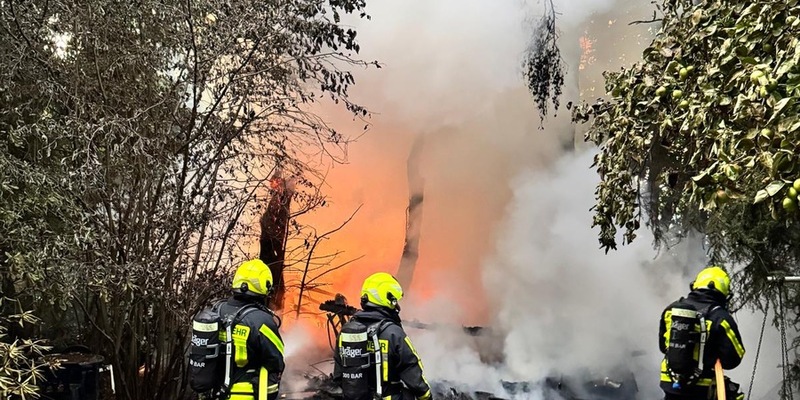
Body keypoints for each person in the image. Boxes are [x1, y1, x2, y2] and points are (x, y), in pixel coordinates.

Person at [334, 272, 432, 400]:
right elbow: (411, 369)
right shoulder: (393, 333)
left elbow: (338, 375)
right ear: (387, 298)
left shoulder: (347, 331)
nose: (396, 305)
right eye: (394, 300)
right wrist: (426, 396)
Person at [659, 266, 745, 400]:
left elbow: (663, 347)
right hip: (701, 388)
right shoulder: (720, 317)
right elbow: (733, 359)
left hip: (670, 384)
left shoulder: (671, 310)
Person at [221, 259, 285, 400]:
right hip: (244, 395)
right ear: (265, 286)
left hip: (214, 393)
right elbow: (276, 361)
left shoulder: (216, 311)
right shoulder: (261, 321)